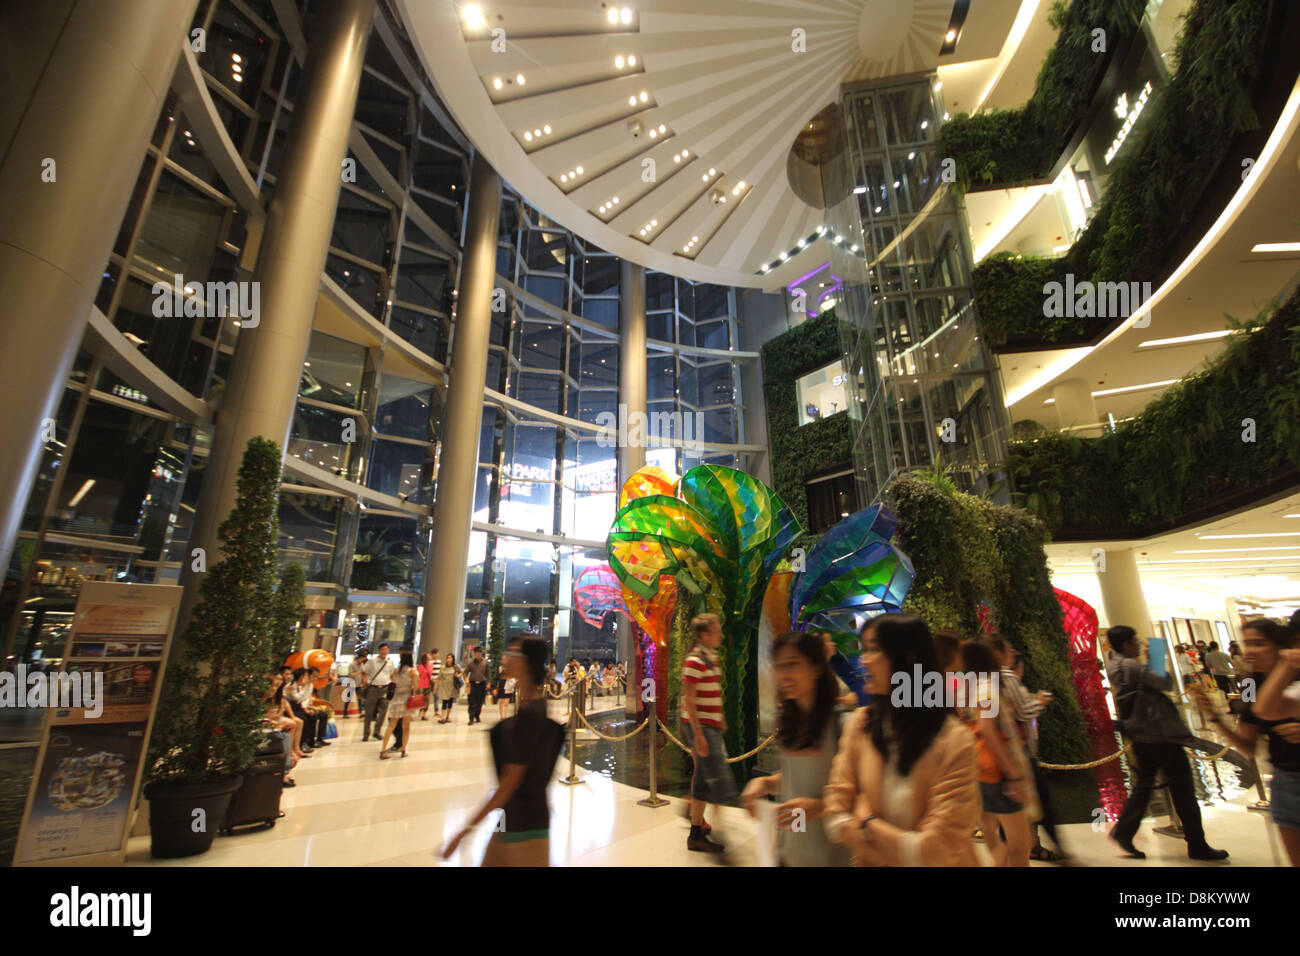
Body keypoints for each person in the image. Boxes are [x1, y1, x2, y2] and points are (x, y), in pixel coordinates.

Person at [823, 615, 980, 865]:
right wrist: (904, 842)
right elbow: (835, 807)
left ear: (908, 658)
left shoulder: (954, 740)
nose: (864, 661)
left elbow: (936, 851)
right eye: (864, 650)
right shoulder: (861, 725)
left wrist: (865, 821)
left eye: (874, 650)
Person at [1106, 625, 1229, 861]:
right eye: (1135, 641)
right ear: (1125, 644)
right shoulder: (1132, 666)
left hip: (1140, 733)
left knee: (1144, 786)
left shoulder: (1114, 666)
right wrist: (1156, 657)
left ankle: (1124, 830)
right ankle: (1197, 843)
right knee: (1183, 788)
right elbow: (1164, 683)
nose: (1140, 644)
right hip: (1159, 733)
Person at [440, 637, 564, 865]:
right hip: (513, 820)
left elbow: (510, 782)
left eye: (513, 654)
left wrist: (465, 830)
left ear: (526, 663)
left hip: (524, 826)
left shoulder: (529, 718)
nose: (506, 657)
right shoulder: (533, 708)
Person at [741, 631, 851, 866]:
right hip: (789, 855)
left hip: (830, 858)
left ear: (816, 668)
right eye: (779, 666)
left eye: (792, 664)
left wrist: (819, 806)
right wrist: (767, 783)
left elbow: (861, 795)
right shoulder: (790, 722)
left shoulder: (842, 726)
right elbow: (799, 777)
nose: (783, 675)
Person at [987, 636, 1067, 863]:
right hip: (1015, 753)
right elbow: (1022, 713)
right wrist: (1039, 701)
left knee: (1008, 813)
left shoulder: (980, 680)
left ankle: (1023, 849)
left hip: (994, 758)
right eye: (1007, 650)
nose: (1010, 654)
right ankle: (1039, 848)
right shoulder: (1006, 677)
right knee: (1038, 805)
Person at [1227, 620, 1300, 865]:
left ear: (1280, 646)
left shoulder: (1296, 674)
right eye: (1246, 644)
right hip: (1285, 780)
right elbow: (1249, 742)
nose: (1249, 651)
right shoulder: (1250, 684)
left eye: (1258, 644)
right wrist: (1215, 720)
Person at [960, 639, 1033, 866]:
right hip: (996, 769)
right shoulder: (986, 687)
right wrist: (1013, 774)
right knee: (1020, 845)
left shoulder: (970, 686)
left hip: (982, 768)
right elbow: (988, 729)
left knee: (997, 840)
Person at [682, 613, 736, 854]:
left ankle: (695, 827)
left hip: (708, 725)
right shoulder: (695, 660)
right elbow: (689, 699)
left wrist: (720, 717)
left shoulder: (709, 658)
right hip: (700, 727)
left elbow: (711, 692)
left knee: (702, 778)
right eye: (717, 631)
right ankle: (696, 827)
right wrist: (699, 734)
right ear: (705, 635)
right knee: (719, 780)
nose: (721, 635)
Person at [380, 651, 417, 759]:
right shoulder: (412, 671)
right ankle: (403, 749)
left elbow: (392, 682)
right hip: (407, 701)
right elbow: (415, 687)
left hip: (396, 700)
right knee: (406, 726)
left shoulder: (396, 672)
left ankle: (383, 750)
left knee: (391, 725)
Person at [287, 667, 331, 748]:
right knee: (310, 717)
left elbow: (307, 699)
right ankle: (306, 742)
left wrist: (310, 707)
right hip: (296, 708)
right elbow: (297, 699)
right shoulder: (295, 685)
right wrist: (306, 708)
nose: (315, 678)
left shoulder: (310, 685)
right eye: (314, 676)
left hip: (303, 707)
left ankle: (319, 738)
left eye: (317, 676)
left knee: (323, 714)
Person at [361, 643, 396, 742]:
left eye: (386, 649)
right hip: (373, 688)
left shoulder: (390, 662)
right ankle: (366, 733)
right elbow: (364, 671)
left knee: (383, 712)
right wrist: (364, 682)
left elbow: (392, 674)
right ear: (379, 651)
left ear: (388, 650)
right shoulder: (372, 661)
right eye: (382, 650)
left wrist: (392, 686)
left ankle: (377, 732)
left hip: (385, 688)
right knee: (369, 712)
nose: (384, 651)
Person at [465, 646, 491, 724]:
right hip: (472, 683)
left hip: (482, 684)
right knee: (472, 702)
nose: (478, 654)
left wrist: (489, 683)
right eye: (477, 653)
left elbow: (488, 674)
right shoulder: (470, 662)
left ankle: (477, 715)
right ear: (474, 654)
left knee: (479, 702)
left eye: (480, 653)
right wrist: (466, 679)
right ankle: (471, 718)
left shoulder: (485, 662)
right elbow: (465, 672)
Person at [343, 652, 368, 718]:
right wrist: (360, 672)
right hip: (352, 683)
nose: (362, 660)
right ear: (359, 657)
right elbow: (350, 674)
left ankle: (360, 712)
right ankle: (345, 713)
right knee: (349, 698)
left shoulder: (362, 664)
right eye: (362, 658)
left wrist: (364, 681)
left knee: (360, 698)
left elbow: (363, 673)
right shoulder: (352, 664)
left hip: (358, 684)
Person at [436, 652, 459, 723]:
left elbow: (461, 673)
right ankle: (442, 717)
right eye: (447, 658)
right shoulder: (443, 667)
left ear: (453, 659)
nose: (448, 659)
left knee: (450, 702)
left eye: (450, 658)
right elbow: (439, 677)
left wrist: (458, 675)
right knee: (444, 702)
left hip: (452, 688)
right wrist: (435, 686)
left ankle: (447, 717)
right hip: (444, 688)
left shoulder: (456, 666)